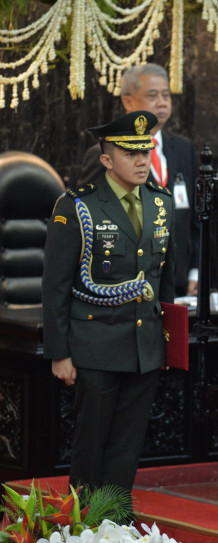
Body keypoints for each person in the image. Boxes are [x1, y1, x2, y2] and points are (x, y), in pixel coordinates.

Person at [42, 111, 176, 493]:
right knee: (91, 444)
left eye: (145, 153)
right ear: (106, 160)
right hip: (95, 345)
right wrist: (59, 353)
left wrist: (166, 344)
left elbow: (164, 278)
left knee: (127, 446)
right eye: (129, 154)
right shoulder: (76, 208)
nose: (140, 162)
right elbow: (55, 286)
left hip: (144, 348)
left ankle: (116, 522)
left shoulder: (160, 203)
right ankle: (84, 526)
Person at [79, 63, 199, 297]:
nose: (162, 102)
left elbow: (196, 219)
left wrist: (196, 272)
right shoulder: (104, 155)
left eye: (166, 95)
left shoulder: (183, 148)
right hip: (128, 285)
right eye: (152, 95)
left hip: (182, 283)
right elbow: (89, 222)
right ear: (128, 101)